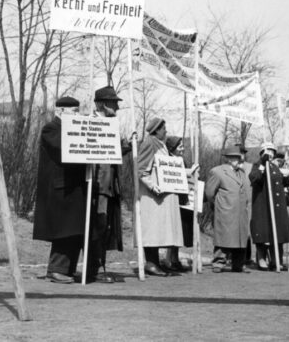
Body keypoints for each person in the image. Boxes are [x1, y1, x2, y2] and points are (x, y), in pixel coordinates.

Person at [32, 96, 102, 284]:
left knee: (75, 230)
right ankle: (56, 269)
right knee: (64, 230)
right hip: (60, 188)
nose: (77, 115)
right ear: (60, 111)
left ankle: (67, 269)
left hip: (74, 187)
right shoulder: (51, 129)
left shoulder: (72, 128)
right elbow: (64, 149)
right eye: (73, 111)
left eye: (77, 111)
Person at [90, 85, 131, 280]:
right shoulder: (91, 123)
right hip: (97, 184)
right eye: (114, 103)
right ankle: (94, 268)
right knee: (97, 225)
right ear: (103, 104)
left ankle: (101, 266)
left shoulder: (112, 126)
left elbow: (112, 151)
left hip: (110, 185)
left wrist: (128, 147)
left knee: (106, 226)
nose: (117, 108)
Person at [137, 117, 184, 276]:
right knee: (152, 229)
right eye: (164, 128)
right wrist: (153, 186)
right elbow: (141, 170)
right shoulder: (150, 143)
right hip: (153, 196)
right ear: (156, 130)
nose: (166, 131)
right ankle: (151, 263)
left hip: (162, 196)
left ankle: (155, 263)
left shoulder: (160, 144)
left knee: (157, 230)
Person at [249, 142, 289, 270]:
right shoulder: (258, 165)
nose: (270, 154)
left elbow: (282, 183)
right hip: (263, 205)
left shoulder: (275, 168)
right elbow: (255, 179)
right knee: (263, 233)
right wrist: (262, 166)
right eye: (267, 151)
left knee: (277, 233)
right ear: (262, 153)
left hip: (276, 206)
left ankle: (276, 260)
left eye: (272, 152)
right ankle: (261, 258)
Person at [205, 146, 251, 273]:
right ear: (228, 159)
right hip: (225, 210)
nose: (237, 159)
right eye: (234, 157)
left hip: (241, 212)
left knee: (240, 238)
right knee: (223, 237)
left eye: (238, 157)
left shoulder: (242, 173)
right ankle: (218, 263)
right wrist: (219, 205)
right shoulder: (217, 172)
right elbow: (209, 193)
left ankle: (238, 264)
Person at [165, 135, 197, 272]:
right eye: (180, 146)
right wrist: (189, 172)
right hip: (172, 199)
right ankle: (170, 259)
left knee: (180, 230)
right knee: (173, 229)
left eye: (183, 146)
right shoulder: (168, 160)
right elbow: (174, 175)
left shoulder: (181, 160)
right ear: (172, 148)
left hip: (182, 198)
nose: (183, 148)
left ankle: (174, 258)